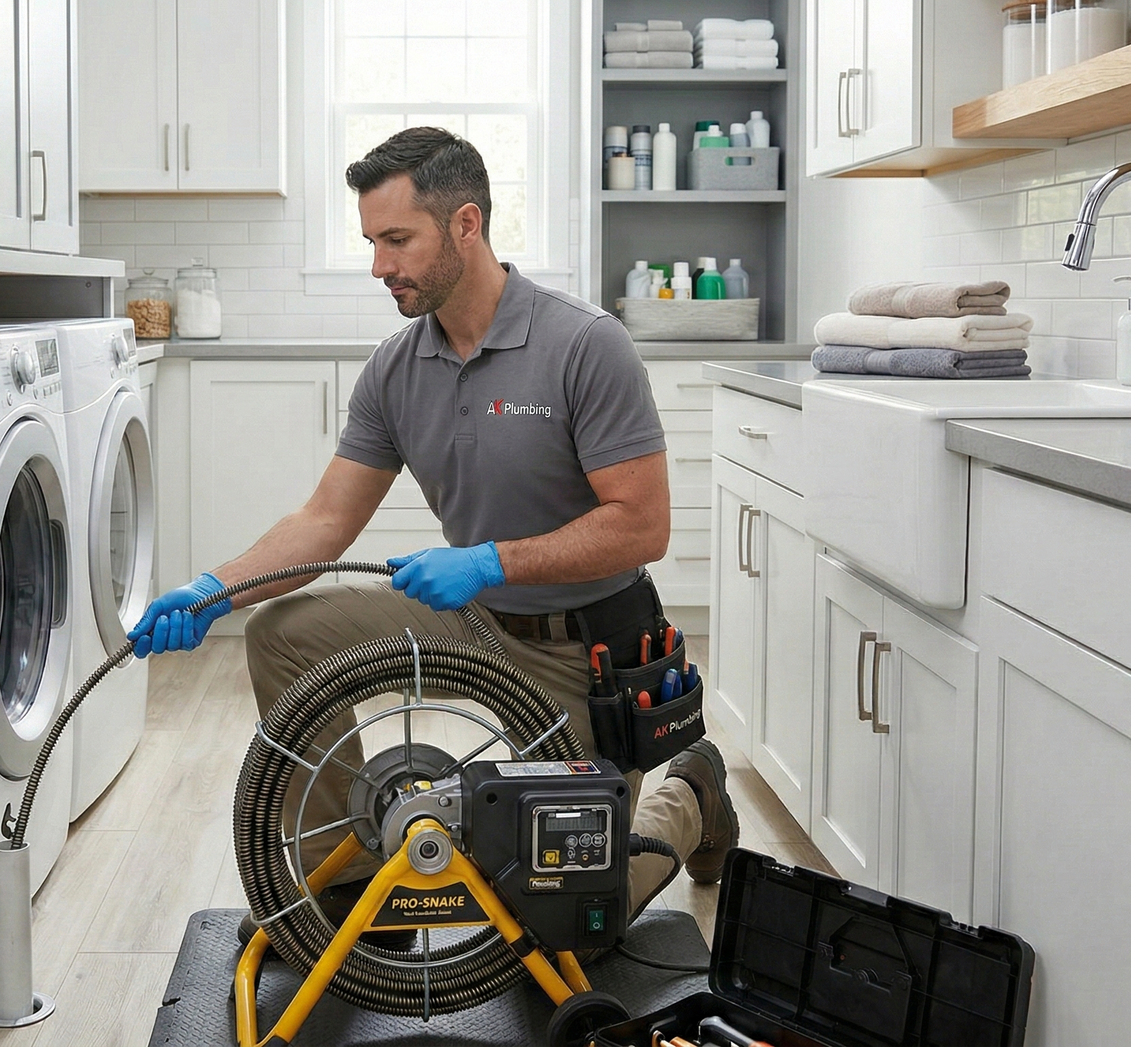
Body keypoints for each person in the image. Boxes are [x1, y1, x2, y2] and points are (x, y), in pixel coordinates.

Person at [129, 126, 737, 935]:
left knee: (575, 920)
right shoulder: (394, 367)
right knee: (280, 633)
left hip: (581, 651)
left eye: (396, 240)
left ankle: (688, 791)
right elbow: (325, 520)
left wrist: (490, 559)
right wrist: (216, 587)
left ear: (465, 225)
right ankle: (350, 891)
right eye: (372, 243)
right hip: (472, 621)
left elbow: (643, 525)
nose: (380, 265)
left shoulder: (585, 344)